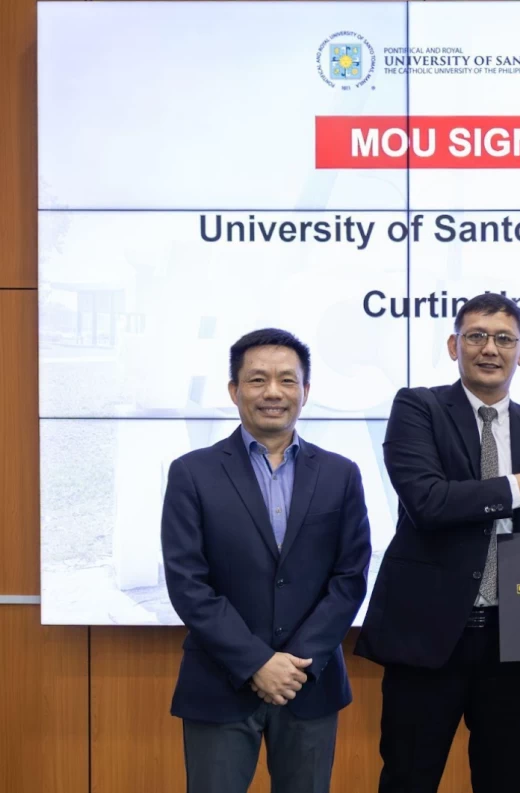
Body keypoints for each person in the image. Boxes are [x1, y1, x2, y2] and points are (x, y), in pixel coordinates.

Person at [354, 293, 520, 793]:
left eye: (504, 339)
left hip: (510, 645)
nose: (491, 348)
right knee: (407, 779)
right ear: (453, 345)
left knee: (504, 781)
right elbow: (430, 502)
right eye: (477, 336)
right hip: (429, 640)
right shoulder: (417, 408)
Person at [161, 328, 372, 793]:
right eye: (257, 380)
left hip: (308, 683)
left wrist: (294, 664)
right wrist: (258, 662)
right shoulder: (192, 473)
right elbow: (187, 583)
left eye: (286, 380)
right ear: (234, 391)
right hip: (219, 683)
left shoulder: (341, 473)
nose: (273, 392)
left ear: (306, 391)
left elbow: (350, 578)